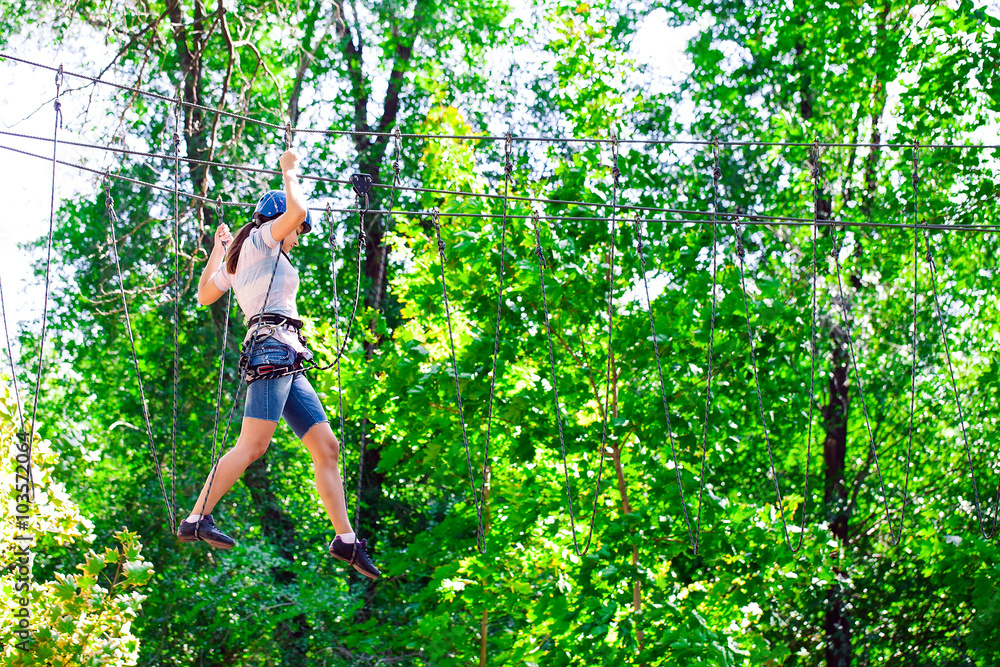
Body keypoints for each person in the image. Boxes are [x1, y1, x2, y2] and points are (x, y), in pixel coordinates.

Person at [176, 149, 380, 580]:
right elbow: (298, 208)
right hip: (272, 348)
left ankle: (345, 541)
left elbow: (204, 294)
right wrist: (290, 171)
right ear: (276, 221)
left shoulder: (241, 256)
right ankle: (196, 518)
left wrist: (218, 249)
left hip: (285, 353)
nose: (298, 235)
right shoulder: (263, 239)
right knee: (252, 446)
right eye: (296, 230)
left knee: (327, 447)